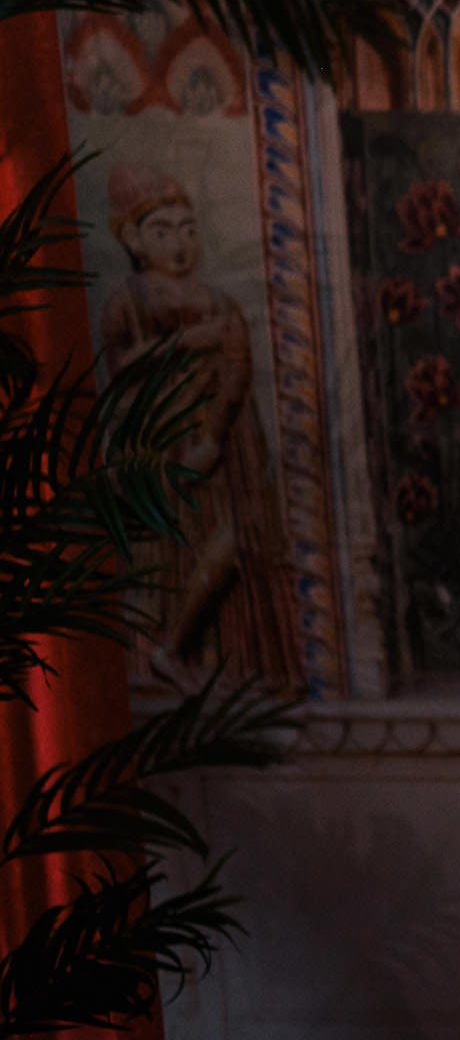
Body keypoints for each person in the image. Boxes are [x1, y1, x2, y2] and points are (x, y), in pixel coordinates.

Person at [95, 161, 307, 692]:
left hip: (225, 443)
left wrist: (213, 436)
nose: (180, 243)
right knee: (165, 551)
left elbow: (237, 362)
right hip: (160, 442)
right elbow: (122, 367)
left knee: (237, 540)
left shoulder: (219, 302)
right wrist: (186, 344)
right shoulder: (128, 302)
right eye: (163, 231)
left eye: (188, 229)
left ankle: (194, 652)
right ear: (135, 242)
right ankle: (164, 654)